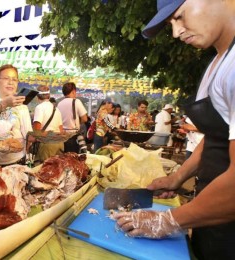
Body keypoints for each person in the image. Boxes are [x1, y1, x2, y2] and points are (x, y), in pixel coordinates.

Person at [114, 0, 235, 259]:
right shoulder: (218, 63)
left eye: (179, 16)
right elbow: (217, 137)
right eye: (171, 24)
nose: (176, 32)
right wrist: (177, 177)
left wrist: (167, 220)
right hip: (212, 218)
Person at [32, 85, 64, 162]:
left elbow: (37, 127)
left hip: (47, 144)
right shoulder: (56, 109)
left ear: (37, 97)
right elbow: (61, 129)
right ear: (49, 96)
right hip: (59, 142)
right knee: (57, 168)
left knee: (45, 168)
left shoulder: (40, 107)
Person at [57, 82, 88, 153]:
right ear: (73, 91)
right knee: (73, 159)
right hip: (73, 137)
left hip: (62, 136)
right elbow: (85, 119)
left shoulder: (59, 104)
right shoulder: (76, 101)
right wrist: (78, 123)